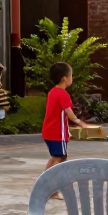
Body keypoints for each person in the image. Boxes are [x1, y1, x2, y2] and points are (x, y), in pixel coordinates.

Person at [41, 62, 89, 194]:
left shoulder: (52, 92)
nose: (72, 78)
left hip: (49, 132)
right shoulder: (63, 94)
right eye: (71, 75)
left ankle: (45, 184)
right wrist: (80, 123)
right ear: (64, 78)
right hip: (57, 133)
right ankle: (50, 188)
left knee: (57, 158)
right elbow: (69, 113)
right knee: (60, 159)